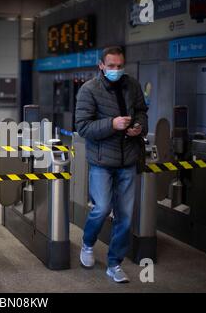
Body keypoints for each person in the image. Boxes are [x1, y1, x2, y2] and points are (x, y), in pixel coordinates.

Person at [75, 46, 148, 283]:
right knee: (102, 208)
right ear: (101, 66)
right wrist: (112, 124)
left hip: (128, 158)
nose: (116, 70)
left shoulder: (132, 85)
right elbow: (83, 127)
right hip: (101, 160)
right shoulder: (89, 90)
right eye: (111, 66)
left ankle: (114, 263)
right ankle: (87, 243)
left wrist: (139, 127)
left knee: (125, 216)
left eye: (120, 66)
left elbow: (141, 112)